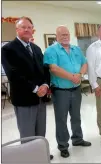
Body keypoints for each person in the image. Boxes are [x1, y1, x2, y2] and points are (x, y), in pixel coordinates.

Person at [1, 16, 53, 160]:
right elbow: (13, 74)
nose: (27, 29)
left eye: (29, 27)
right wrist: (36, 88)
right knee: (28, 133)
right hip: (24, 99)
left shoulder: (36, 48)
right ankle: (29, 159)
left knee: (40, 132)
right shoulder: (7, 49)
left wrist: (45, 85)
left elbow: (44, 69)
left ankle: (40, 155)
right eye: (23, 27)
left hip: (41, 98)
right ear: (17, 29)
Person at [44, 26, 91, 158]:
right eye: (62, 34)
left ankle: (77, 139)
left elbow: (85, 63)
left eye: (67, 34)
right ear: (56, 36)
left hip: (76, 89)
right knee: (61, 120)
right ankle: (63, 146)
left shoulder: (76, 49)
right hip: (60, 91)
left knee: (76, 116)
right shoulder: (51, 50)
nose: (65, 36)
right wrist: (72, 77)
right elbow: (53, 69)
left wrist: (80, 75)